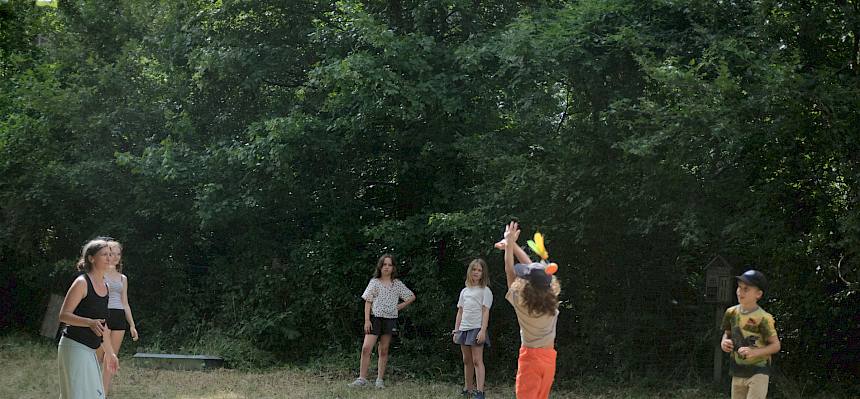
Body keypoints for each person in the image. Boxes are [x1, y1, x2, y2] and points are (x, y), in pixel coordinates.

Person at [502, 221, 560, 399]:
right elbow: (535, 272)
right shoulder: (553, 300)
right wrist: (511, 245)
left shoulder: (522, 303)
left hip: (530, 360)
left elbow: (509, 271)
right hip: (549, 359)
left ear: (528, 285)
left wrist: (509, 245)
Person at [58, 239, 119, 399]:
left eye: (110, 254)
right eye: (104, 254)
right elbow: (64, 315)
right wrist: (89, 322)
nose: (109, 258)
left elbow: (102, 327)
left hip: (89, 350)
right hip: (74, 347)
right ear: (92, 258)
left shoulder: (106, 286)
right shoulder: (82, 283)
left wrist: (110, 354)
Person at [349, 254, 416, 389]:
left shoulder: (397, 284)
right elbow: (368, 301)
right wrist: (367, 320)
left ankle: (379, 380)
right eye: (384, 264)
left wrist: (397, 307)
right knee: (366, 348)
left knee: (384, 349)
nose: (386, 267)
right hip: (375, 318)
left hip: (390, 319)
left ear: (393, 267)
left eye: (389, 265)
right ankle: (362, 378)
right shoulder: (374, 282)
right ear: (380, 266)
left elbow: (411, 297)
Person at [720, 269, 781, 399]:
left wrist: (754, 352)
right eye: (739, 287)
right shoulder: (731, 313)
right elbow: (727, 334)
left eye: (746, 289)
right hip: (737, 371)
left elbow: (775, 346)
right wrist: (724, 342)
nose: (740, 292)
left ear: (758, 294)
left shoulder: (763, 318)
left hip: (759, 371)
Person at [100, 239, 139, 396]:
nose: (115, 256)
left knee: (111, 360)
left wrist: (132, 325)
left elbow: (125, 303)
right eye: (111, 253)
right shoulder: (100, 274)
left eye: (118, 254)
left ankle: (103, 394)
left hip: (119, 317)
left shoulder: (123, 278)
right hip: (103, 316)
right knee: (97, 358)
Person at [452, 259, 493, 399]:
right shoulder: (464, 291)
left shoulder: (485, 291)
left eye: (479, 270)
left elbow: (485, 312)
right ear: (470, 271)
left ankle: (480, 391)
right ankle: (468, 389)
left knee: (477, 360)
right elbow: (460, 312)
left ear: (483, 273)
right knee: (466, 360)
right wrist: (457, 330)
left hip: (477, 328)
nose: (476, 272)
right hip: (464, 328)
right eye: (474, 269)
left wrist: (482, 330)